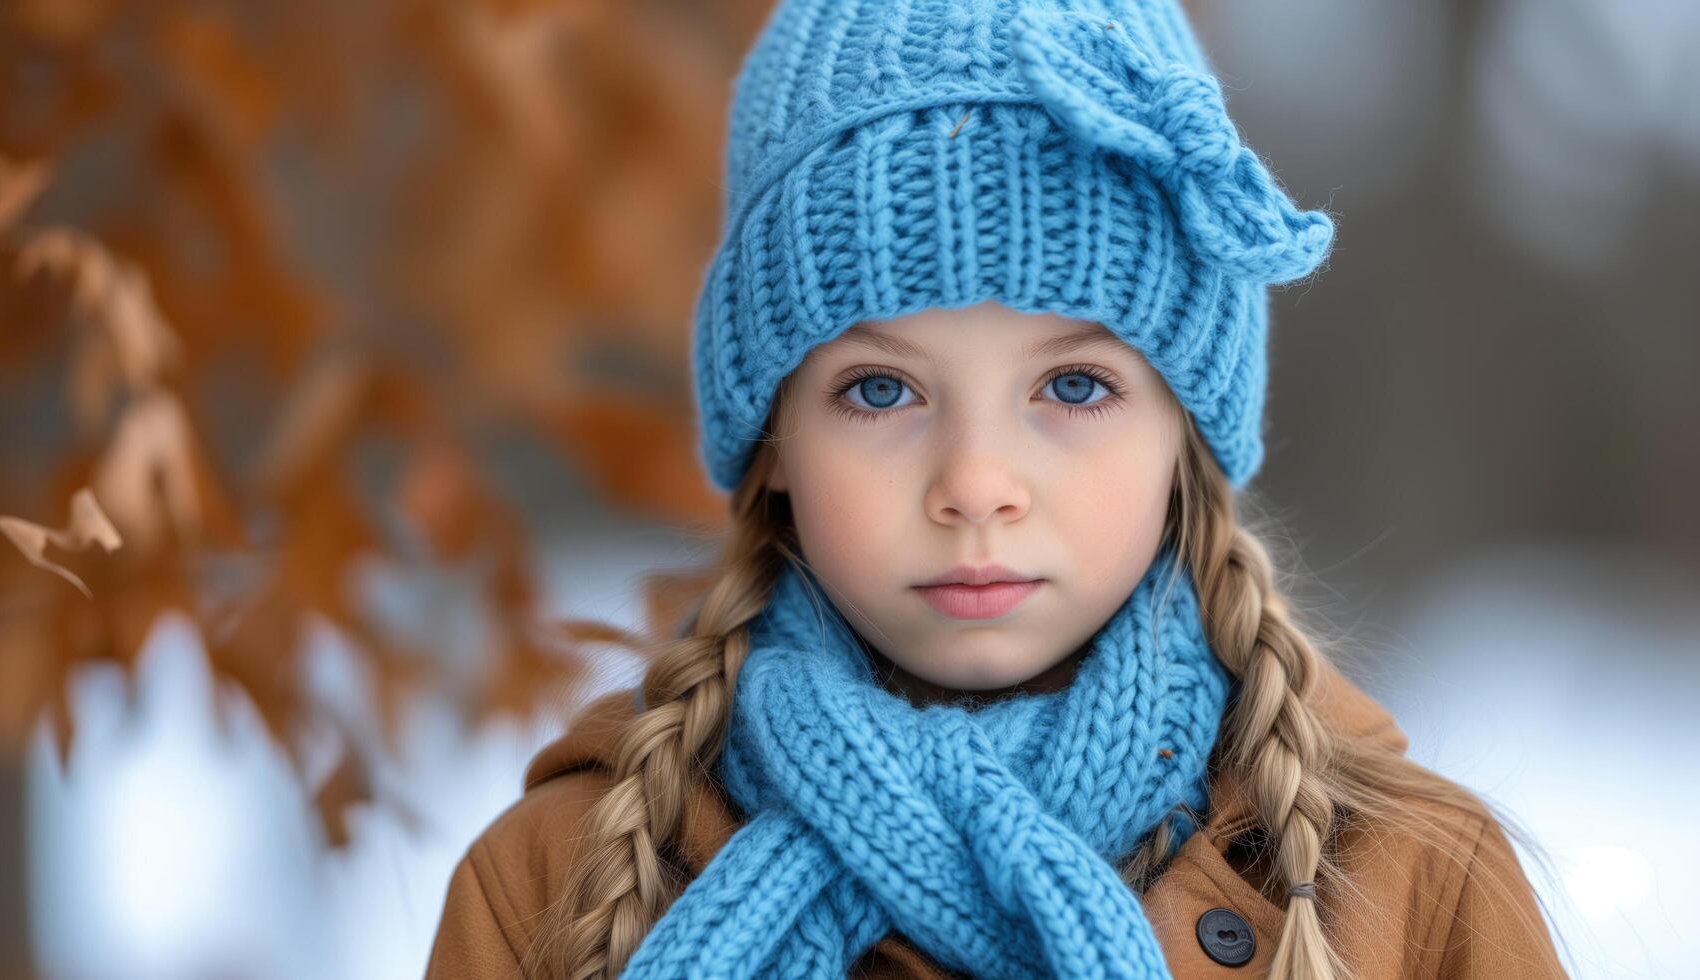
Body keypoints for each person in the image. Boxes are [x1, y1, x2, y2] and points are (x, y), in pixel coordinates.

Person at [427, 0, 1568, 976]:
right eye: (879, 391)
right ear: (775, 435)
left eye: (1073, 384)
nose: (976, 484)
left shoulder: (1413, 890)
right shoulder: (557, 880)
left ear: (1185, 429)